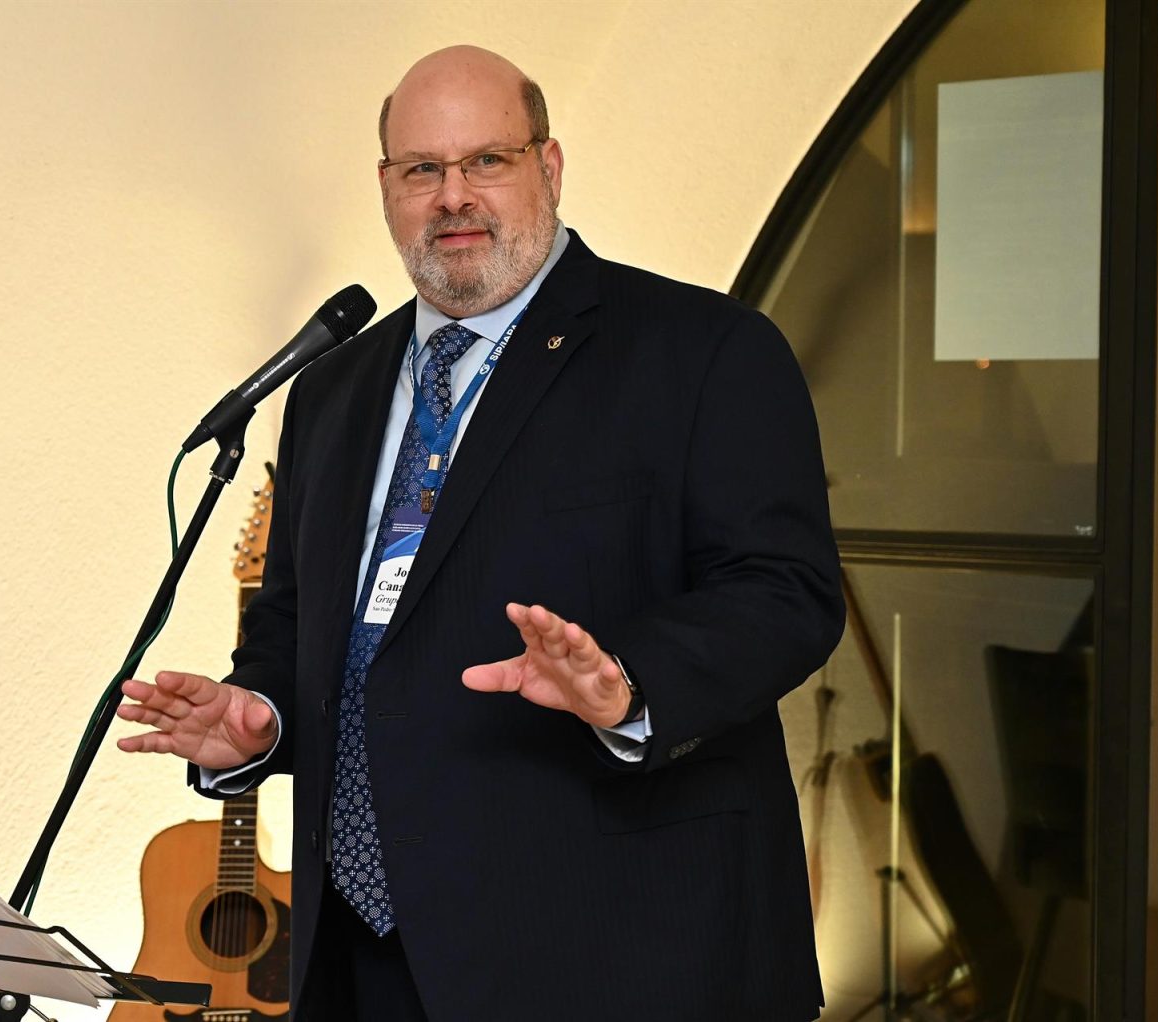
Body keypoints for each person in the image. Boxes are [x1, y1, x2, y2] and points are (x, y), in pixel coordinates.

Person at [117, 45, 843, 1021]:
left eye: (486, 162)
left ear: (548, 166)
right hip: (363, 958)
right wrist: (261, 713)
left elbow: (785, 591)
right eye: (423, 170)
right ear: (386, 187)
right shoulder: (332, 390)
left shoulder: (703, 350)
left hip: (612, 952)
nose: (453, 196)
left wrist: (629, 681)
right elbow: (299, 624)